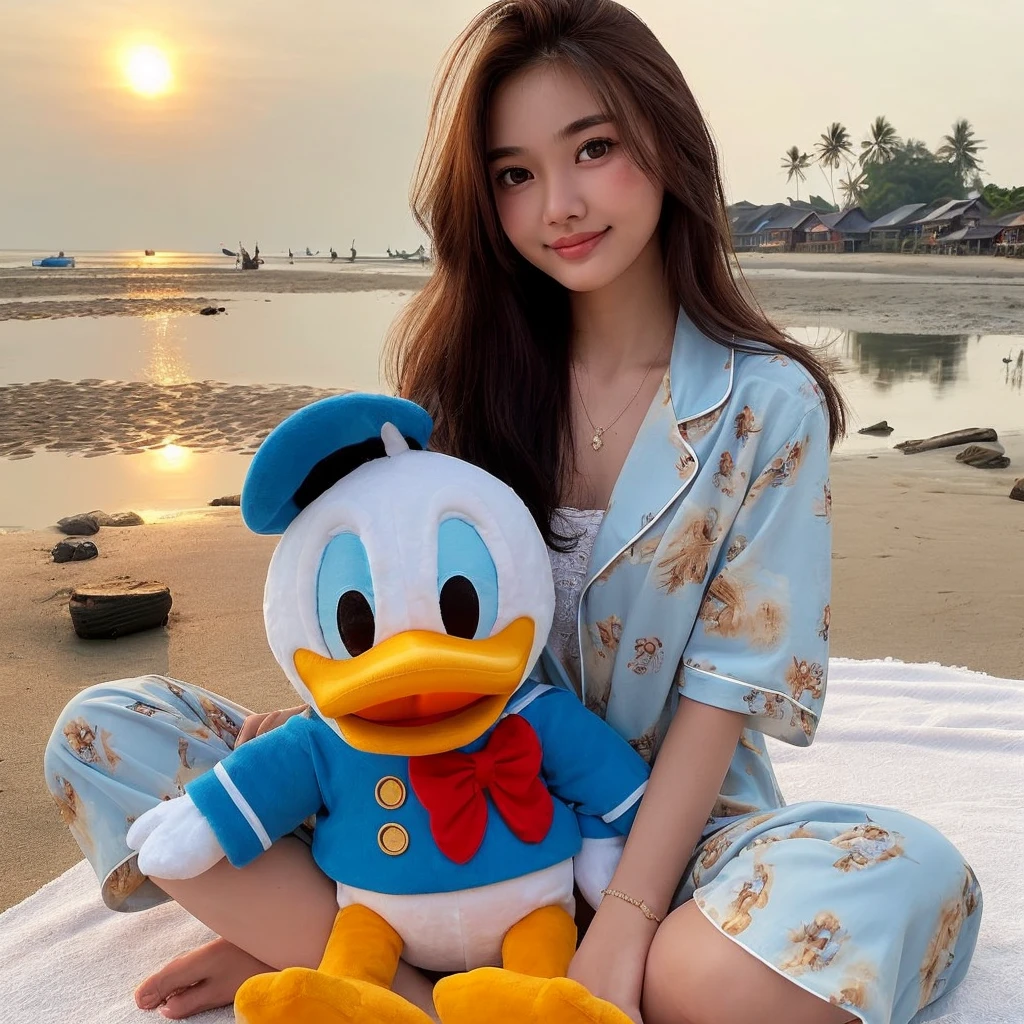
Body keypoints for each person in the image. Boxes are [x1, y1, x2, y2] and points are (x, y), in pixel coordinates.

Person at [44, 2, 980, 1022]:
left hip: (660, 845)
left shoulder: (765, 405)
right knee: (104, 732)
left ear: (667, 143)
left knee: (894, 874)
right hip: (416, 809)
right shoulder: (458, 381)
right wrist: (326, 732)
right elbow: (394, 614)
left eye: (594, 148)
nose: (560, 204)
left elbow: (723, 695)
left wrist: (621, 925)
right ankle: (407, 983)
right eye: (515, 174)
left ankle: (374, 953)